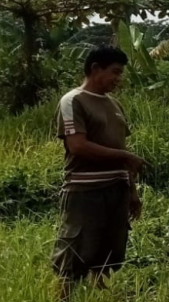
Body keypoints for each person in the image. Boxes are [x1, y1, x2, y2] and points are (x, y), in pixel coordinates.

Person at [51, 45, 147, 300]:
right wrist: (126, 157)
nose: (118, 79)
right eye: (114, 72)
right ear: (95, 69)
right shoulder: (73, 101)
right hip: (85, 190)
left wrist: (132, 192)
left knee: (108, 249)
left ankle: (100, 294)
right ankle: (63, 297)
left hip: (116, 189)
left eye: (120, 74)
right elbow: (78, 146)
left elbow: (120, 147)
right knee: (75, 251)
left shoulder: (114, 104)